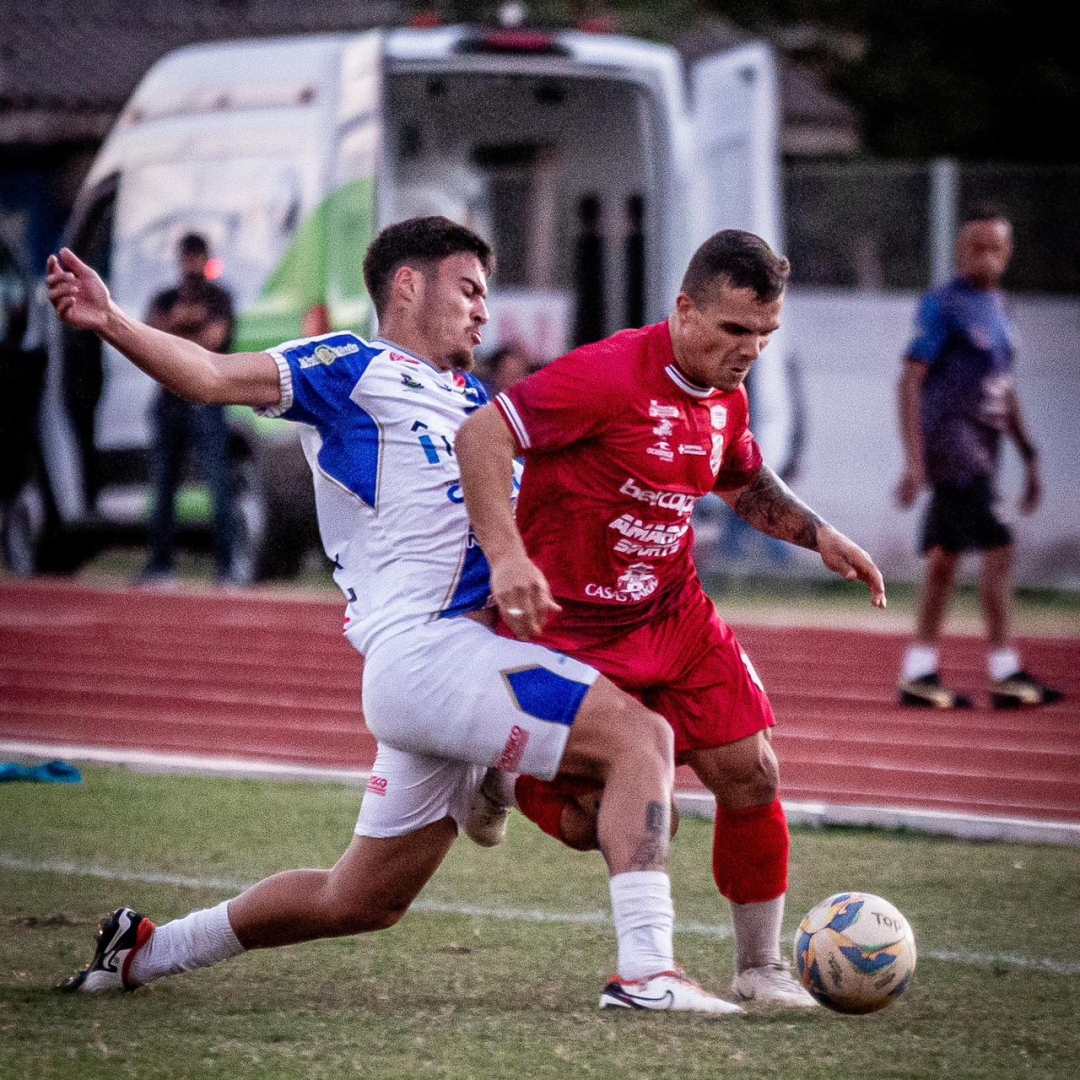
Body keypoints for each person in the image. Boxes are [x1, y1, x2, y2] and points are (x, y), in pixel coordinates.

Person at [46, 215, 742, 1015]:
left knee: (363, 899)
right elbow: (207, 373)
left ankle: (146, 951)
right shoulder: (352, 365)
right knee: (640, 740)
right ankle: (647, 972)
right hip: (427, 652)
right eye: (470, 289)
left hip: (456, 665)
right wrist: (112, 321)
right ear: (408, 285)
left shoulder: (481, 403)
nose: (485, 311)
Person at [455, 228, 886, 1008]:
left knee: (752, 773)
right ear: (685, 310)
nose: (750, 348)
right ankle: (502, 777)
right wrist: (508, 555)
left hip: (673, 614)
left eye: (765, 333)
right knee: (596, 823)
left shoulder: (727, 393)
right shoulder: (607, 375)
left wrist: (821, 535)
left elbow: (744, 480)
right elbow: (484, 431)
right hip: (573, 628)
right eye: (733, 329)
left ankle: (759, 971)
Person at [895, 206, 1063, 710]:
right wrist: (915, 460)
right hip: (953, 447)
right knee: (1001, 547)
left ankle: (918, 671)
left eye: (995, 247)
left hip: (985, 449)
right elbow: (910, 379)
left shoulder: (1002, 309)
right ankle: (1005, 670)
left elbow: (1003, 389)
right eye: (975, 246)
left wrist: (1028, 452)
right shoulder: (943, 305)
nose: (985, 256)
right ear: (959, 250)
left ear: (1008, 253)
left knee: (946, 561)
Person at [140, 232, 238, 587]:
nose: (191, 264)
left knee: (218, 483)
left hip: (208, 402)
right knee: (163, 485)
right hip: (170, 402)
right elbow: (152, 339)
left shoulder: (219, 298)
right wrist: (188, 324)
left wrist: (177, 329)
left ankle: (227, 567)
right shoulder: (166, 298)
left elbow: (214, 339)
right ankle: (159, 565)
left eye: (196, 257)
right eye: (187, 256)